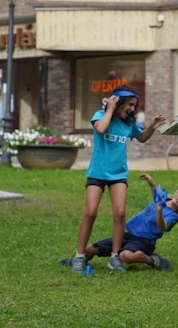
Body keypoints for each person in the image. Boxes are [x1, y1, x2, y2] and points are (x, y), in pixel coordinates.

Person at [69, 86, 167, 273]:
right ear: (118, 101)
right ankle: (79, 256)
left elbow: (142, 138)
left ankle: (114, 257)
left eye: (134, 106)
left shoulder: (129, 124)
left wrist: (152, 127)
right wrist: (110, 109)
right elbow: (100, 128)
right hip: (97, 173)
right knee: (90, 213)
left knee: (120, 214)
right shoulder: (100, 115)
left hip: (118, 175)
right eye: (129, 104)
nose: (132, 109)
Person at [60, 173, 178, 271]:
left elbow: (163, 227)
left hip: (143, 242)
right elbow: (157, 194)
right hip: (128, 235)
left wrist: (160, 212)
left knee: (125, 256)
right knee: (90, 249)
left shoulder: (173, 215)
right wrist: (152, 183)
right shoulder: (166, 199)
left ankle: (152, 260)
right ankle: (79, 260)